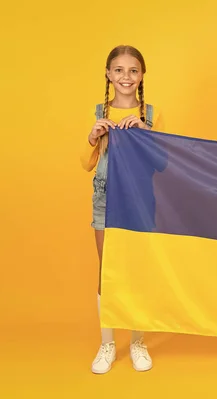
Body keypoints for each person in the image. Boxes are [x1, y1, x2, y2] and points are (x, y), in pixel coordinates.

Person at [80, 45, 165, 374]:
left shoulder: (153, 114)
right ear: (108, 74)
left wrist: (147, 134)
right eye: (119, 70)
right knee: (108, 270)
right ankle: (107, 343)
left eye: (133, 70)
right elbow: (86, 164)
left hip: (141, 202)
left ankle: (138, 341)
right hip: (105, 199)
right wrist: (92, 137)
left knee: (137, 270)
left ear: (142, 75)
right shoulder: (98, 111)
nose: (126, 77)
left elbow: (163, 164)